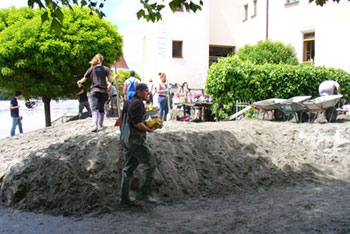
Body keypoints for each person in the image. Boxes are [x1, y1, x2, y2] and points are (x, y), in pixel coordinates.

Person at [119, 83, 158, 206]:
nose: (148, 93)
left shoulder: (128, 103)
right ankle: (142, 194)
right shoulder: (139, 103)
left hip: (125, 137)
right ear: (139, 92)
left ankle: (124, 199)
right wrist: (149, 129)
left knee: (128, 168)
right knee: (150, 164)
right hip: (134, 140)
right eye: (146, 91)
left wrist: (146, 123)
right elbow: (136, 123)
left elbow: (121, 121)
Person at [77, 54, 114, 132]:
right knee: (101, 108)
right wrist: (115, 77)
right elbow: (110, 80)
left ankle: (94, 125)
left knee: (94, 108)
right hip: (104, 91)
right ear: (102, 60)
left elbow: (84, 79)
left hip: (95, 90)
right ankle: (100, 125)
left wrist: (79, 81)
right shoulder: (106, 69)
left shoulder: (91, 69)